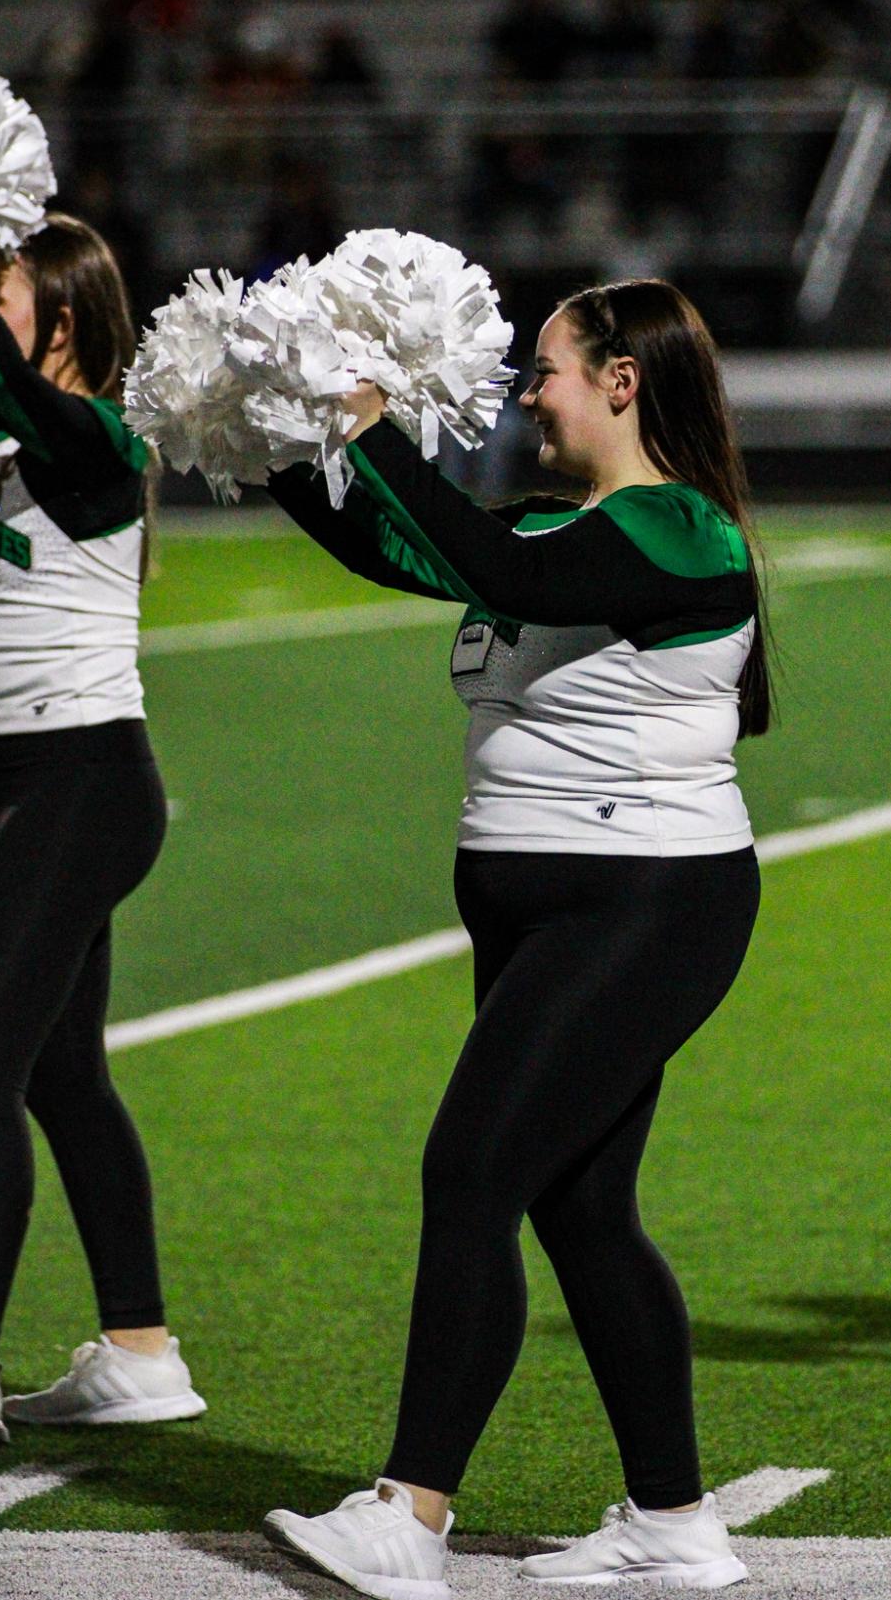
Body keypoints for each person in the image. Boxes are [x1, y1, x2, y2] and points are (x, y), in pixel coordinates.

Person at [260, 280, 768, 1597]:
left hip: (643, 902)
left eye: (544, 368)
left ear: (620, 381)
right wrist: (268, 430)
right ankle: (671, 1519)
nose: (524, 391)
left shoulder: (677, 528)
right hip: (547, 902)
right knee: (581, 1205)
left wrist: (376, 428)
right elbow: (399, 549)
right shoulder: (564, 519)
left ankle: (409, 1514)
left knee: (472, 1170)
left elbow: (506, 576)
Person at [0, 214, 204, 1447]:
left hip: (82, 787)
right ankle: (138, 1350)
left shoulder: (100, 439)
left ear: (62, 322)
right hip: (29, 789)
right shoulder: (7, 434)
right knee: (62, 1073)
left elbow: (38, 413)